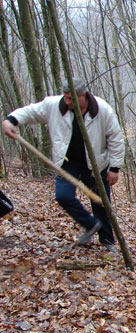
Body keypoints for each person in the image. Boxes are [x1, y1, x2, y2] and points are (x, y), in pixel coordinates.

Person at [2, 78, 125, 251]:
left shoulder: (102, 109)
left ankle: (108, 241)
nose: (67, 101)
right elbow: (31, 112)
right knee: (63, 196)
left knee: (101, 204)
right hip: (67, 163)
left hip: (96, 165)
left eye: (71, 98)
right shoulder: (54, 106)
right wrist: (11, 120)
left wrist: (115, 168)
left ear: (83, 95)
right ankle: (90, 225)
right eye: (65, 97)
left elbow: (116, 139)